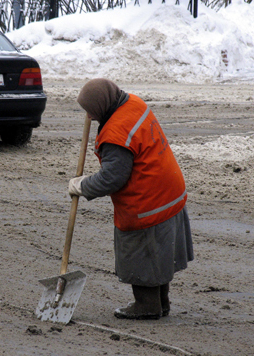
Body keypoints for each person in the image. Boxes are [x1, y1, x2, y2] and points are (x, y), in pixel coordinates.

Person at [68, 78, 194, 320]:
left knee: (143, 253)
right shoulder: (133, 103)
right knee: (158, 252)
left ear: (102, 105)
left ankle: (147, 305)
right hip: (169, 189)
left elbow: (112, 178)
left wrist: (82, 186)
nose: (90, 117)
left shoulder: (116, 133)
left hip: (148, 200)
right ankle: (161, 302)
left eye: (91, 111)